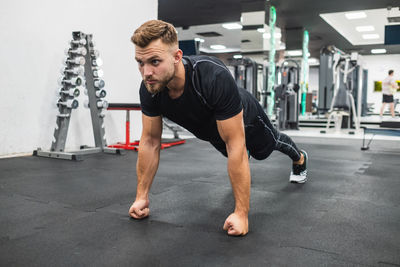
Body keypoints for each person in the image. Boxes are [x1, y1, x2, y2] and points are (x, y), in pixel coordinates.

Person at [128, 20, 308, 236]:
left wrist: (241, 214)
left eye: (155, 61)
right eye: (140, 62)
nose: (146, 72)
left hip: (245, 116)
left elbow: (235, 143)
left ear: (177, 57)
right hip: (211, 131)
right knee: (233, 151)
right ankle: (245, 157)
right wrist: (141, 197)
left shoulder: (211, 76)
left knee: (267, 147)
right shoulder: (150, 88)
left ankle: (299, 158)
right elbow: (150, 141)